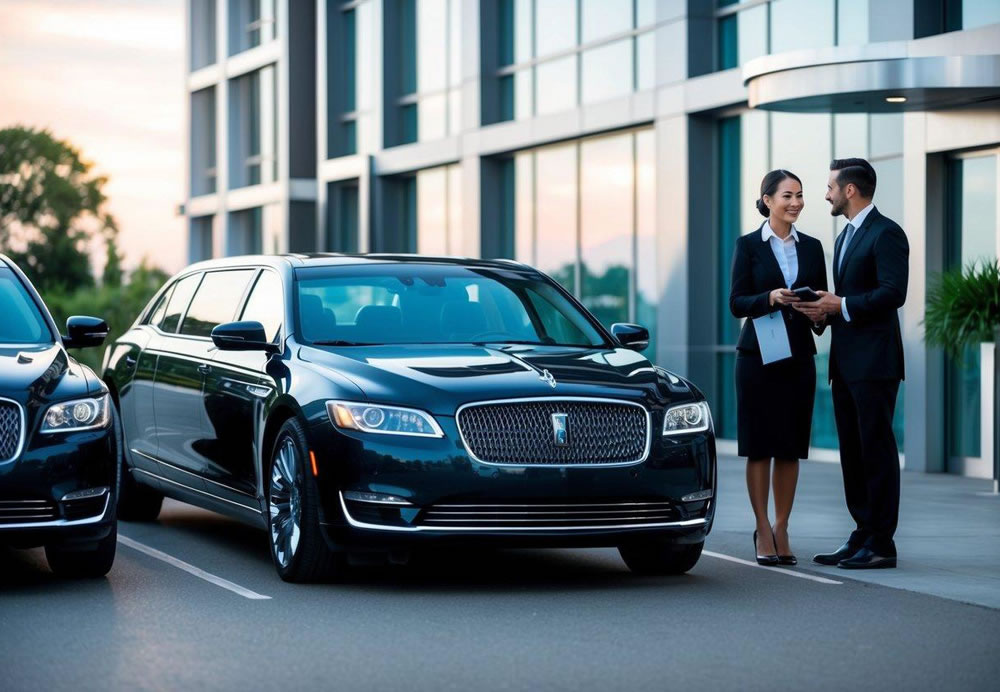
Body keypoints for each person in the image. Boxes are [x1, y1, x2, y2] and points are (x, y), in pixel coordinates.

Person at [794, 158, 908, 570]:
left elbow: (893, 293)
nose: (824, 194)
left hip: (875, 363)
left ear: (850, 190)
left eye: (829, 187)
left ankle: (882, 543)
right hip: (844, 363)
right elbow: (849, 304)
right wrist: (823, 313)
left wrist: (841, 303)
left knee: (876, 450)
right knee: (853, 453)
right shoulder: (843, 238)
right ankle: (862, 533)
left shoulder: (887, 233)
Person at [729, 169, 828, 567]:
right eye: (788, 195)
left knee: (790, 446)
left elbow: (822, 306)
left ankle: (783, 526)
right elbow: (737, 302)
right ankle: (762, 527)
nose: (796, 203)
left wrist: (818, 313)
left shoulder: (813, 247)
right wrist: (769, 297)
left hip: (798, 357)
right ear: (767, 200)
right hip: (757, 357)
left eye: (800, 196)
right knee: (760, 446)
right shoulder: (748, 245)